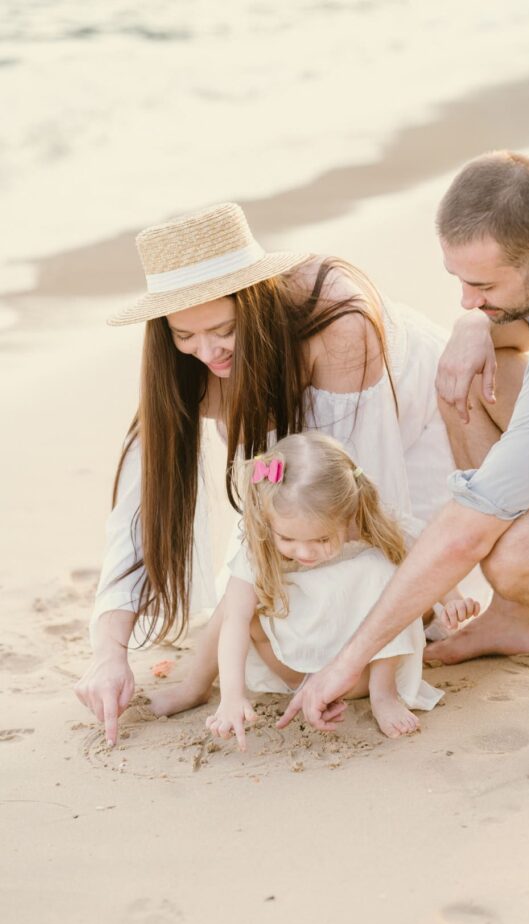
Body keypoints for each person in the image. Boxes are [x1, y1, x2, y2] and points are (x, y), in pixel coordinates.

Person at [278, 150, 529, 732]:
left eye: (483, 285)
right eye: (460, 281)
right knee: (463, 374)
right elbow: (516, 325)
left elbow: (467, 531)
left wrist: (347, 662)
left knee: (515, 552)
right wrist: (474, 327)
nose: (467, 299)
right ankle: (517, 619)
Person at [74, 202, 459, 744]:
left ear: (254, 302)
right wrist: (108, 652)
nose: (206, 352)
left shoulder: (337, 322)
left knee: (379, 588)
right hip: (313, 460)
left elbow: (362, 494)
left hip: (423, 424)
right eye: (184, 335)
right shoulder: (187, 364)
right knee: (256, 578)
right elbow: (140, 511)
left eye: (223, 329)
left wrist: (370, 640)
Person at [161, 433, 469, 742]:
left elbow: (423, 554)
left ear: (347, 516)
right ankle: (195, 686)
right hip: (288, 663)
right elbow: (236, 622)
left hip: (354, 672)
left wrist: (451, 597)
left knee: (384, 571)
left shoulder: (365, 523)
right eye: (288, 539)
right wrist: (232, 696)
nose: (304, 552)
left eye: (322, 539)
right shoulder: (261, 541)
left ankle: (384, 694)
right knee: (233, 604)